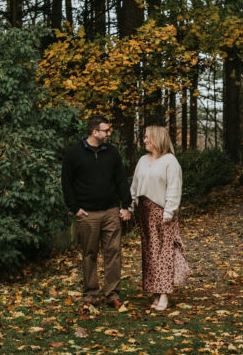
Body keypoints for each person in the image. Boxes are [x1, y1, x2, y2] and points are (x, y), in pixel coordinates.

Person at [61, 115, 132, 310]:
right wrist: (74, 208)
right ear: (95, 132)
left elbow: (121, 180)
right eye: (106, 131)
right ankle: (90, 294)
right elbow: (66, 183)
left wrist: (126, 205)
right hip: (87, 214)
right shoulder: (74, 153)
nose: (109, 133)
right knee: (89, 254)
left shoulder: (112, 153)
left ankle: (113, 295)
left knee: (113, 253)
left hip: (111, 211)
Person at [129, 124, 183, 312]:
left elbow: (174, 188)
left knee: (164, 253)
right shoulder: (143, 160)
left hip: (162, 213)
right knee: (150, 254)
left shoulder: (170, 161)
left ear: (157, 139)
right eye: (144, 137)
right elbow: (135, 186)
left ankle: (164, 295)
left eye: (147, 137)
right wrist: (130, 205)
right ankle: (154, 291)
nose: (144, 140)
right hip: (144, 212)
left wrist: (168, 212)